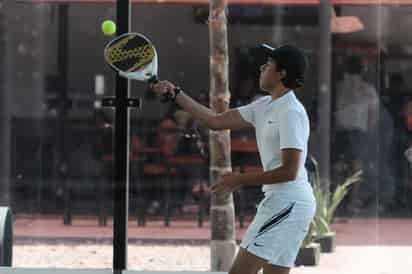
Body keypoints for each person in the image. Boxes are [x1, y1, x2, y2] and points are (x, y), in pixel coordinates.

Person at [151, 44, 315, 274]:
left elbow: (290, 171)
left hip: (288, 204)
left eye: (268, 65)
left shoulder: (291, 112)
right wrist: (176, 94)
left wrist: (239, 179)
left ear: (282, 74)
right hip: (285, 203)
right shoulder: (265, 106)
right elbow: (215, 121)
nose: (261, 68)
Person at [334, 56, 379, 214]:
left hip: (340, 130)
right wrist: (370, 132)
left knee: (339, 165)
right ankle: (353, 200)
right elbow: (373, 116)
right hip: (359, 132)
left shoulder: (339, 87)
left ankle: (337, 199)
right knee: (356, 166)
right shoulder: (368, 89)